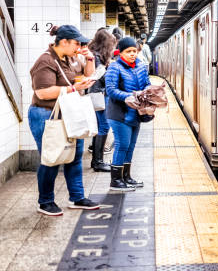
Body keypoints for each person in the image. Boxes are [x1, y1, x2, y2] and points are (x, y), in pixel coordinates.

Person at [28, 25, 100, 216]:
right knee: (51, 158)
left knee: (75, 156)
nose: (79, 46)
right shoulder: (46, 61)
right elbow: (42, 92)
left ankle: (77, 197)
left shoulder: (70, 59)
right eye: (76, 43)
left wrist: (90, 58)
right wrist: (74, 88)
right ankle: (45, 201)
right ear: (64, 42)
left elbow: (87, 74)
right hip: (45, 114)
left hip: (68, 113)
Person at [106, 37, 151, 191]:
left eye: (134, 51)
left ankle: (126, 177)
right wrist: (128, 96)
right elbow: (110, 90)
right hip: (119, 113)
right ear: (121, 53)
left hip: (136, 113)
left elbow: (146, 83)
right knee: (122, 145)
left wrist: (150, 92)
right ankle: (116, 181)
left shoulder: (140, 66)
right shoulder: (114, 67)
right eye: (128, 51)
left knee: (130, 146)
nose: (132, 54)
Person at [87, 28, 115, 172]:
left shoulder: (94, 54)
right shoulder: (96, 57)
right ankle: (98, 162)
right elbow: (99, 77)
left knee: (100, 127)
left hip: (98, 94)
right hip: (98, 95)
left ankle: (96, 161)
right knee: (103, 126)